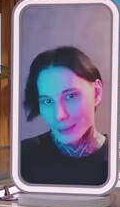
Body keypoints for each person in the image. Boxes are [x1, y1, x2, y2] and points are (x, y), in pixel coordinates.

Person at [20, 46, 108, 186]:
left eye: (70, 96)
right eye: (47, 101)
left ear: (96, 93)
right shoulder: (23, 156)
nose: (59, 115)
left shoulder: (118, 159)